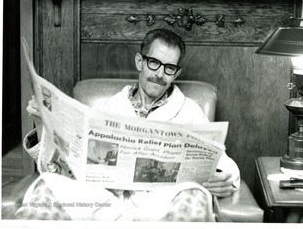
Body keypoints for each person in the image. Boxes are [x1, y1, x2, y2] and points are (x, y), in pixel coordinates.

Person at [23, 28, 240, 221]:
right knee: (47, 191)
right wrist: (43, 123)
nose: (159, 74)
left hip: (161, 205)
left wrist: (222, 178)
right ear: (140, 62)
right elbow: (66, 168)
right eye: (154, 63)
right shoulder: (110, 107)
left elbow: (224, 164)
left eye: (169, 68)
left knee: (195, 197)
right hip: (106, 202)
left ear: (177, 73)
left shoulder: (190, 111)